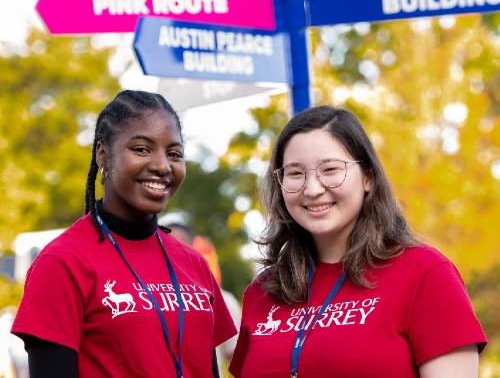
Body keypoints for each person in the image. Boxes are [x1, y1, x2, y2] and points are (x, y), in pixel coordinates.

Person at [229, 105, 487, 378]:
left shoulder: (425, 273)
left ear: (368, 177)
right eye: (295, 173)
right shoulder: (263, 290)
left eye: (330, 169)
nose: (313, 189)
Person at [11, 90, 236, 377]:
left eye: (174, 153)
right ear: (103, 154)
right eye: (142, 149)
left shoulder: (193, 264)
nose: (162, 165)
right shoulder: (62, 261)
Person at [167, 223, 242, 374]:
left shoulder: (222, 298)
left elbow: (237, 358)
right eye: (166, 245)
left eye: (180, 244)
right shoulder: (144, 297)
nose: (171, 252)